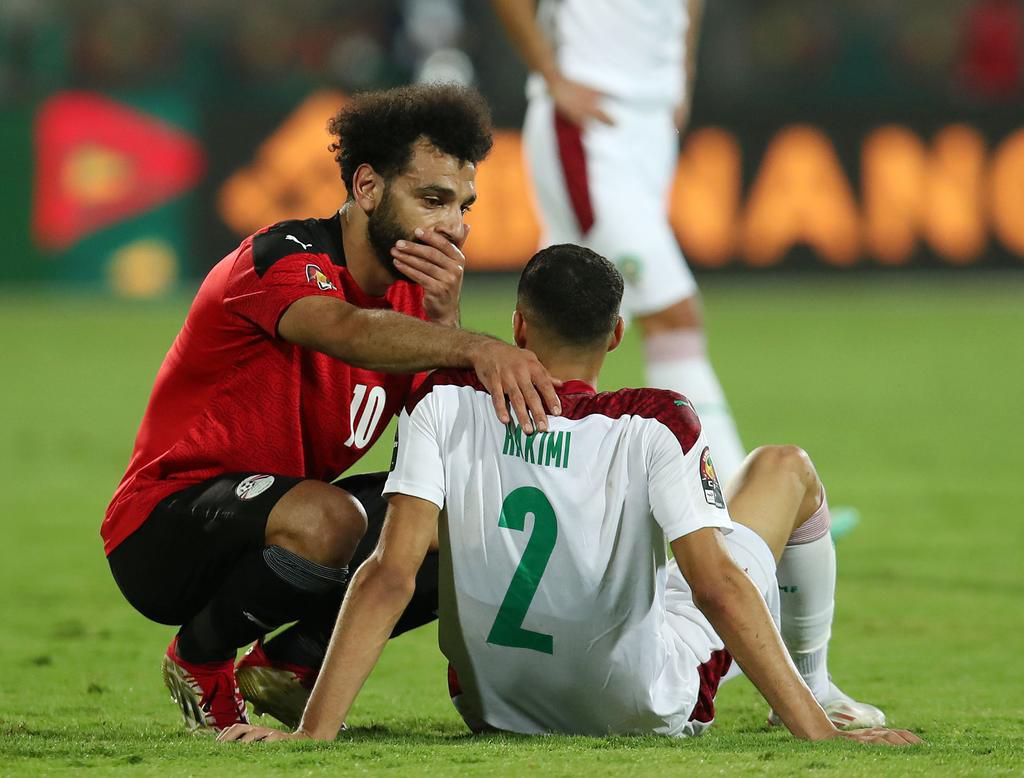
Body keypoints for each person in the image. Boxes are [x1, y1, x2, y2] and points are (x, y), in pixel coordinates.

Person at [218, 245, 920, 746]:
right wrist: (821, 741)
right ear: (616, 334)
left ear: (520, 326)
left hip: (493, 709)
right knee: (782, 468)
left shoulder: (442, 404)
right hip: (643, 706)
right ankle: (817, 688)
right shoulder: (657, 422)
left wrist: (313, 737)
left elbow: (390, 575)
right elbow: (720, 591)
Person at [101, 83, 562, 732]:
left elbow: (436, 448)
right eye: (431, 199)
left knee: (460, 516)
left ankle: (292, 664)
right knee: (328, 519)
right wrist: (473, 345)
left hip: (287, 525)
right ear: (369, 188)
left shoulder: (415, 305)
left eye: (463, 205)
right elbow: (342, 329)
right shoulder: (280, 258)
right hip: (165, 528)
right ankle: (200, 661)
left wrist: (445, 321)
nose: (454, 227)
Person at [491, 0, 747, 485]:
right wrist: (551, 75)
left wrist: (681, 72)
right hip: (591, 122)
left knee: (555, 320)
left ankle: (534, 484)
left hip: (649, 124)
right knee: (675, 316)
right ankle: (732, 499)